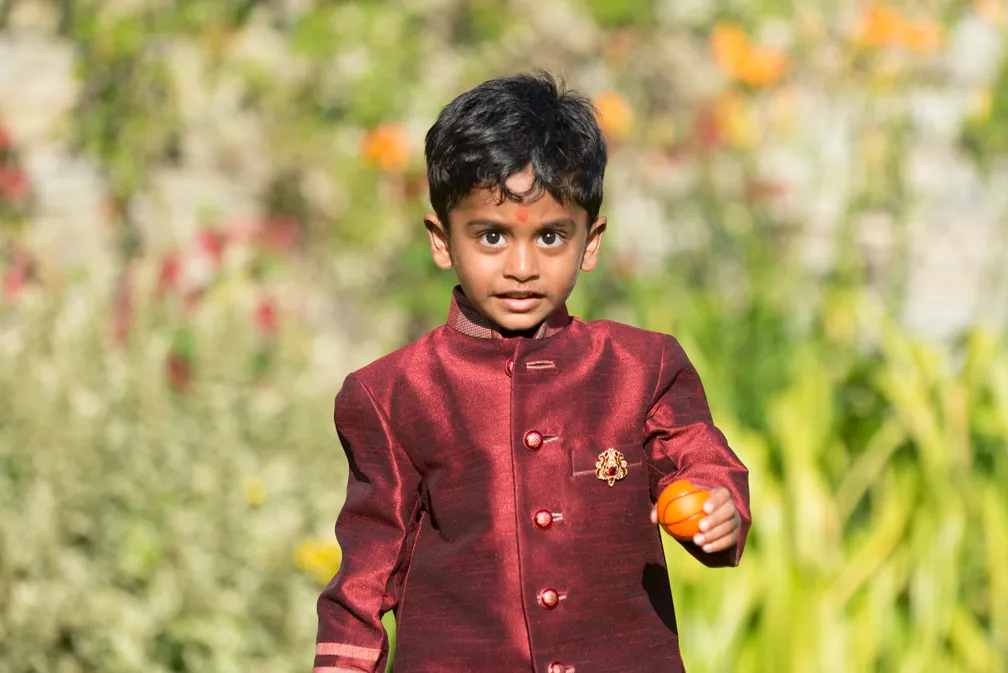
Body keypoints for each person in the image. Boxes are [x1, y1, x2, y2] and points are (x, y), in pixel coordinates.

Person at [314, 71, 751, 673]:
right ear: (442, 241)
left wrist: (716, 508)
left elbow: (700, 464)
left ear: (590, 242)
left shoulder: (642, 368)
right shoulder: (391, 393)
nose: (522, 266)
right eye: (491, 235)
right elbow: (366, 574)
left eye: (550, 236)